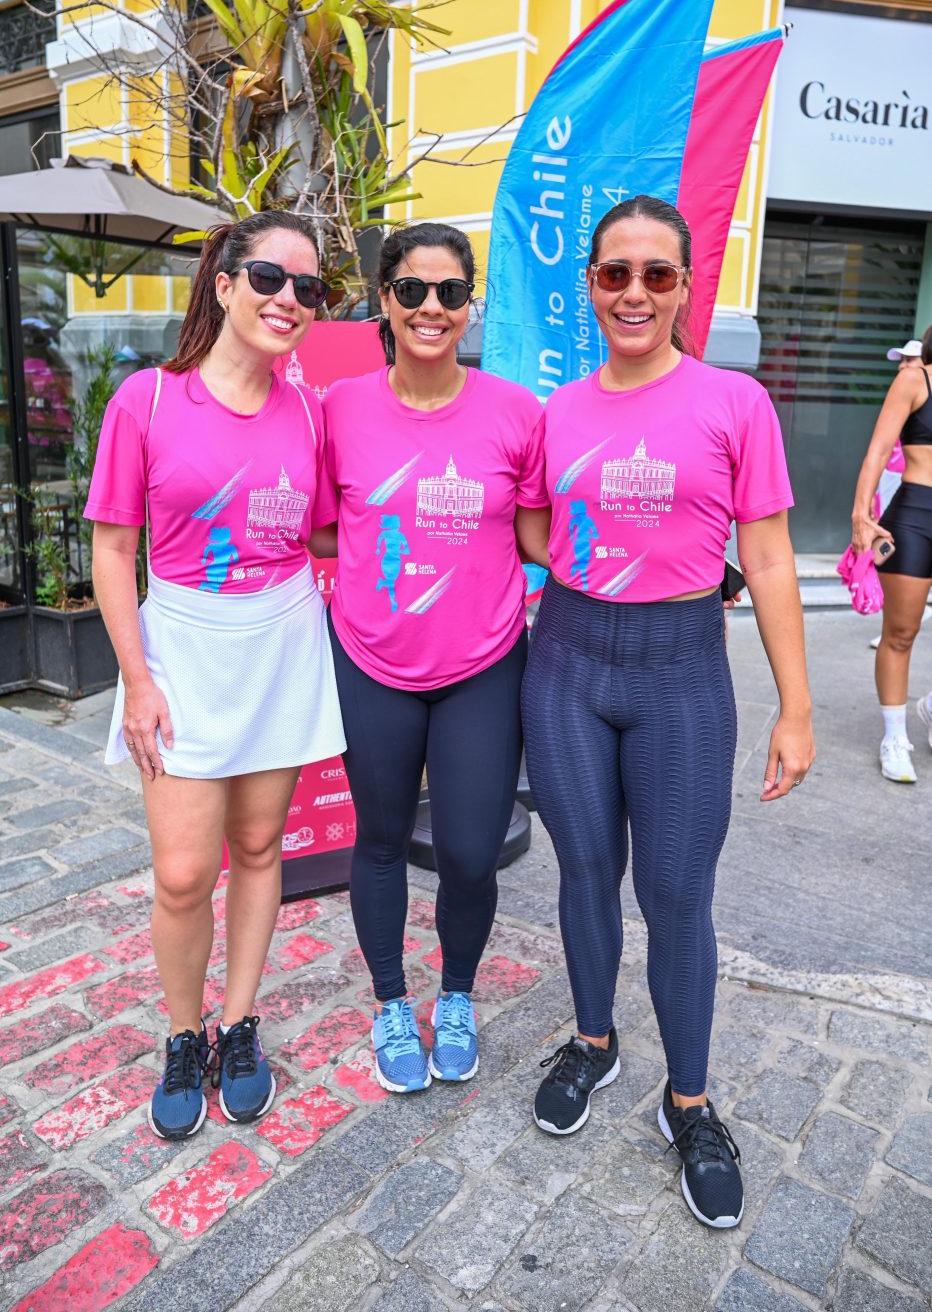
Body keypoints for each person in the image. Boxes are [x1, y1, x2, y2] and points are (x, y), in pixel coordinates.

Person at [523, 196, 815, 1230]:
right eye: (614, 273)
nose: (634, 291)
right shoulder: (555, 411)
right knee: (584, 869)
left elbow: (770, 555)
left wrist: (794, 703)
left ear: (686, 287)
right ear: (589, 286)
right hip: (562, 658)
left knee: (676, 892)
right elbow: (527, 522)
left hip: (682, 668)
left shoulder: (732, 403)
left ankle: (686, 1103)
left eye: (655, 273)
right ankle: (594, 1041)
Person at [84, 213, 345, 1140]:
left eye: (308, 290)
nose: (290, 301)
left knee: (264, 851)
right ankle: (182, 1033)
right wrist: (138, 677)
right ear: (226, 283)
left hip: (279, 641)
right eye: (271, 279)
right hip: (182, 648)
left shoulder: (312, 412)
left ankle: (240, 1024)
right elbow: (114, 548)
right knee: (185, 872)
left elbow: (320, 530)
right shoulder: (147, 402)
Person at [318, 221, 549, 1093]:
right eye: (412, 290)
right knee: (378, 839)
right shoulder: (339, 409)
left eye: (451, 293)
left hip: (483, 669)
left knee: (467, 852)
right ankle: (388, 1003)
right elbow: (321, 528)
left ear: (470, 306)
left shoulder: (513, 411)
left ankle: (455, 995)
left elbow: (540, 536)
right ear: (383, 300)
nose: (431, 308)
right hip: (371, 661)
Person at [852, 326, 932, 782]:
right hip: (917, 515)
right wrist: (861, 514)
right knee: (900, 632)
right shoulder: (915, 379)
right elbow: (879, 450)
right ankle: (894, 737)